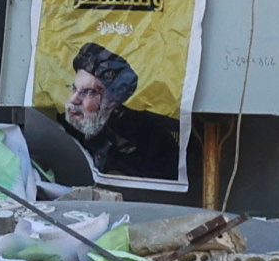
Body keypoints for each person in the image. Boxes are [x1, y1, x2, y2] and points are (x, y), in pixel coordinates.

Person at [60, 42, 185, 186]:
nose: (74, 100)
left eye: (89, 92)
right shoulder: (60, 129)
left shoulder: (151, 141)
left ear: (112, 102)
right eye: (74, 89)